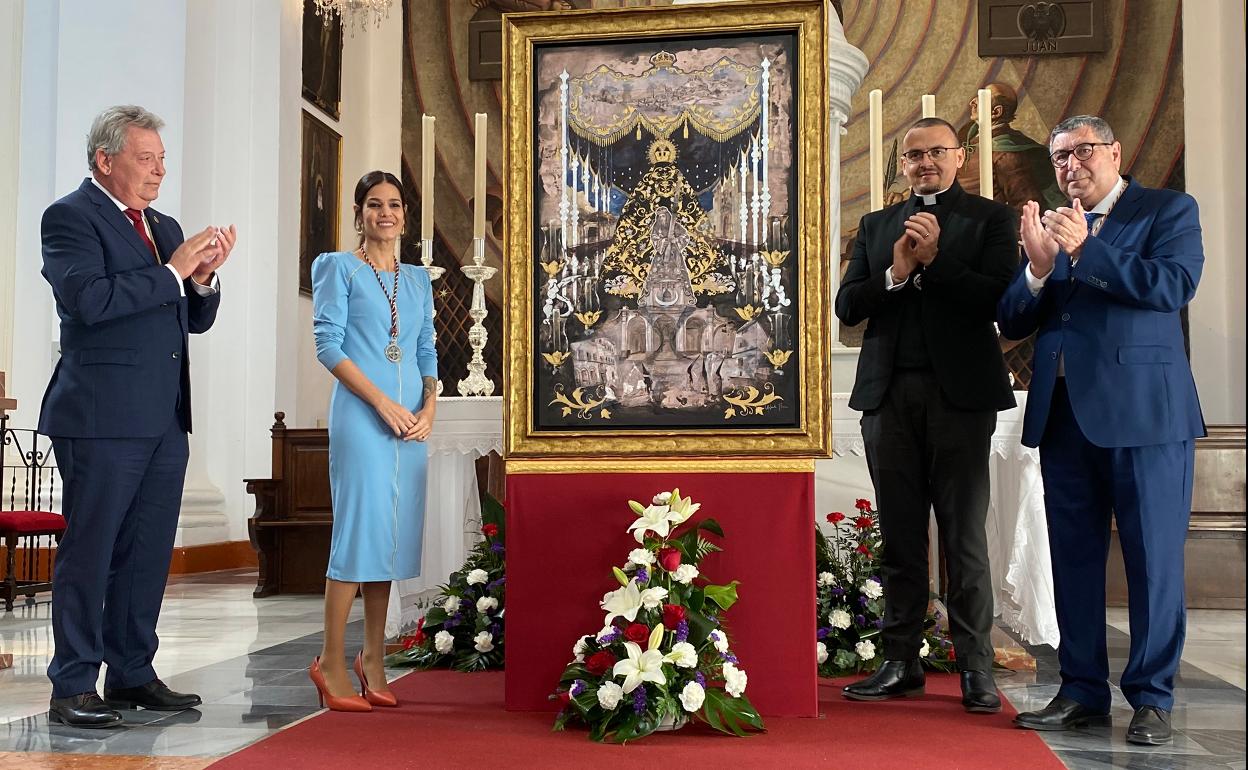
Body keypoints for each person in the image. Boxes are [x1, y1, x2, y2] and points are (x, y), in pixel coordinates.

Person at [1000, 116, 1204, 746]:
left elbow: (1173, 284)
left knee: (1152, 561)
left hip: (1147, 415)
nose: (1071, 165)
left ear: (1116, 151)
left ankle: (1151, 697)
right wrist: (1037, 269)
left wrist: (1088, 251)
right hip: (1066, 418)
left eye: (1083, 151)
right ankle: (1082, 691)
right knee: (1075, 561)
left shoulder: (1167, 209)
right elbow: (1011, 318)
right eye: (1060, 157)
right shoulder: (1057, 227)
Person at [39, 105, 236, 728]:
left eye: (161, 160)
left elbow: (189, 320)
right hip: (99, 417)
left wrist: (200, 281)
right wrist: (172, 272)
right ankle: (72, 684)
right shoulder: (70, 216)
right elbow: (88, 301)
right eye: (145, 159)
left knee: (147, 553)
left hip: (163, 419)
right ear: (106, 160)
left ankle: (131, 673)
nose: (159, 172)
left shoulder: (163, 224)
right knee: (90, 552)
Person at [835, 117, 1017, 715]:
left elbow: (996, 299)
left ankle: (975, 668)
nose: (925, 163)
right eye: (913, 155)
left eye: (936, 151)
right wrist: (896, 274)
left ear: (959, 157)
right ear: (902, 165)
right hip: (888, 396)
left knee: (963, 539)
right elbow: (847, 305)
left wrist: (935, 263)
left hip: (959, 397)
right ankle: (900, 661)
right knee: (901, 536)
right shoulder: (877, 224)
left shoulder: (990, 220)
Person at [310, 170, 438, 711]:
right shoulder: (337, 268)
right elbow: (328, 345)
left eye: (395, 204)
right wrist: (381, 402)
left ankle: (374, 658)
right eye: (374, 204)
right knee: (359, 537)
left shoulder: (417, 279)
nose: (386, 213)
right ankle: (330, 661)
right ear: (359, 213)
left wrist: (428, 406)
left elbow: (427, 350)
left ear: (405, 214)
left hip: (412, 425)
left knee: (390, 542)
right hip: (363, 420)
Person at [957, 82, 1066, 215]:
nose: (972, 102)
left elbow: (1027, 206)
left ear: (996, 112)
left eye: (982, 98)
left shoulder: (1007, 156)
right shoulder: (965, 135)